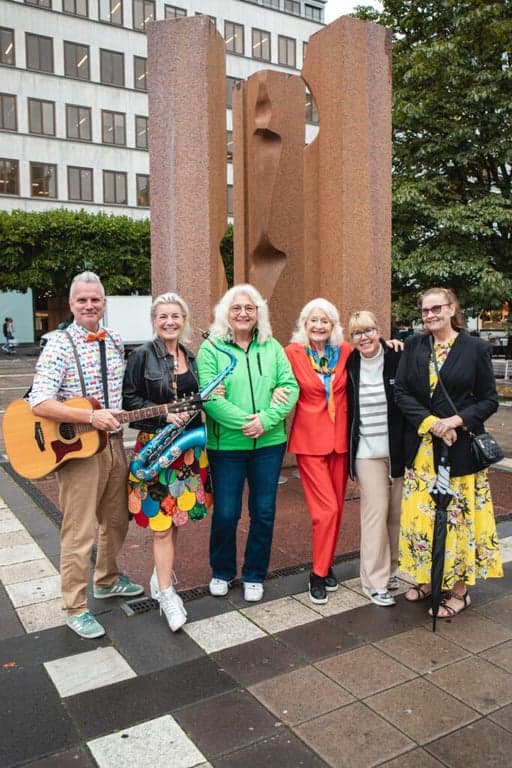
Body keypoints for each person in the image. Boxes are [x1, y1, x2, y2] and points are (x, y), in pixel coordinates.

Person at [29, 272, 143, 639]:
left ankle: (106, 580)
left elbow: (119, 397)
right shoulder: (59, 345)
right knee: (79, 531)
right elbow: (40, 401)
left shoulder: (114, 340)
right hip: (77, 449)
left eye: (96, 299)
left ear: (104, 303)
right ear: (73, 304)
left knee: (117, 519)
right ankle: (74, 606)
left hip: (112, 443)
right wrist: (89, 416)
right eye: (82, 300)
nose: (90, 305)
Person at [394, 287, 503, 619]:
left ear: (452, 308)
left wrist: (455, 420)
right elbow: (400, 392)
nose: (430, 315)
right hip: (423, 451)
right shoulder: (414, 346)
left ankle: (459, 590)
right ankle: (429, 579)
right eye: (425, 311)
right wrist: (432, 423)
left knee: (457, 520)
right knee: (422, 519)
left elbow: (489, 400)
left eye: (436, 308)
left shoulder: (475, 349)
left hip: (460, 453)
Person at [196, 284, 299, 603]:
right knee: (226, 512)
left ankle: (254, 574)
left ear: (259, 314)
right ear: (226, 313)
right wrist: (247, 423)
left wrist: (265, 421)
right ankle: (222, 571)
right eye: (236, 308)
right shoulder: (211, 349)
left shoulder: (272, 347)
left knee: (264, 511)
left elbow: (290, 386)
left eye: (250, 308)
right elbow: (210, 398)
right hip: (226, 446)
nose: (243, 313)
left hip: (269, 445)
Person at [122, 292, 212, 632]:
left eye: (175, 316)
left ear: (184, 319)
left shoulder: (190, 354)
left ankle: (162, 577)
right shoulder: (141, 355)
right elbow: (128, 400)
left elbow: (193, 396)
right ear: (153, 320)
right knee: (160, 526)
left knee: (173, 520)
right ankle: (166, 594)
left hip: (185, 452)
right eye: (163, 317)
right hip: (156, 449)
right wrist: (163, 418)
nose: (170, 322)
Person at [285, 299, 352, 604]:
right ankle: (317, 572)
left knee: (337, 508)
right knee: (325, 510)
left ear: (333, 325)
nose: (319, 326)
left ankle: (326, 564)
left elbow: (375, 354)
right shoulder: (292, 353)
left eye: (325, 320)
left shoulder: (345, 352)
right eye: (314, 320)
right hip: (310, 441)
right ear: (304, 323)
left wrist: (391, 344)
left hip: (340, 441)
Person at [346, 310, 405, 607]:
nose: (364, 337)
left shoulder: (396, 356)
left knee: (396, 515)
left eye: (368, 330)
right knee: (375, 513)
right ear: (351, 338)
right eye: (357, 332)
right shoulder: (350, 364)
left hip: (397, 451)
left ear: (379, 330)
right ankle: (373, 581)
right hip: (367, 453)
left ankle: (392, 568)